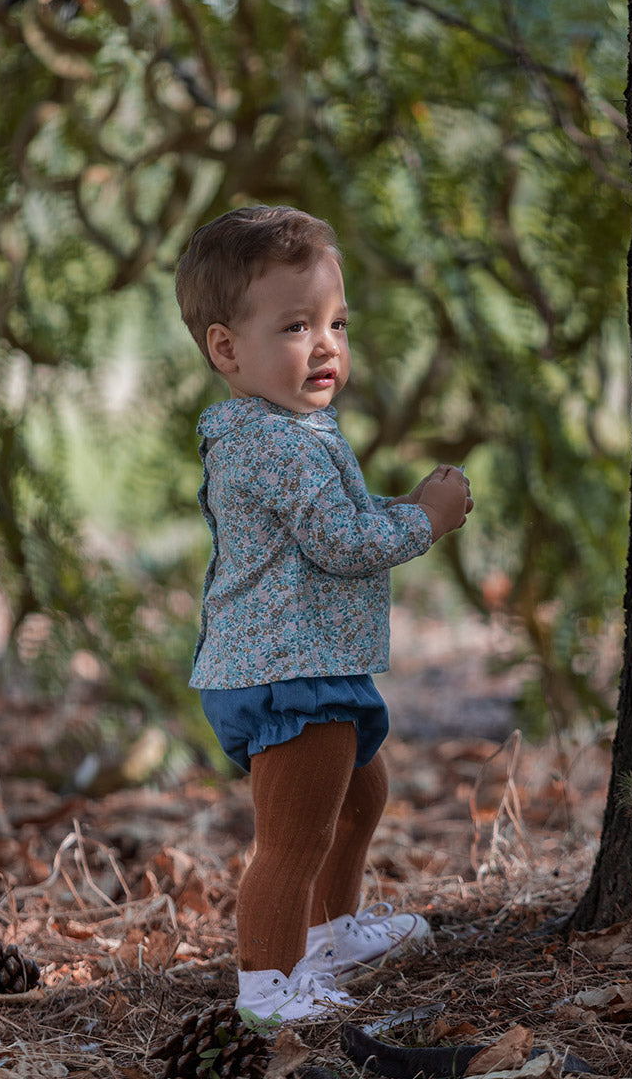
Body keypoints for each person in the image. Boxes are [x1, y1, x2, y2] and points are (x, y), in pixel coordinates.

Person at [175, 205, 473, 1022]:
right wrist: (428, 520)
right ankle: (267, 986)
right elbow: (341, 541)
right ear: (226, 348)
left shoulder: (278, 428)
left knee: (359, 798)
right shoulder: (272, 442)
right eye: (297, 325)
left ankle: (333, 931)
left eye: (337, 322)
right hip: (285, 675)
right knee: (294, 841)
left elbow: (330, 513)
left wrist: (401, 500)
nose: (327, 344)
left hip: (308, 665)